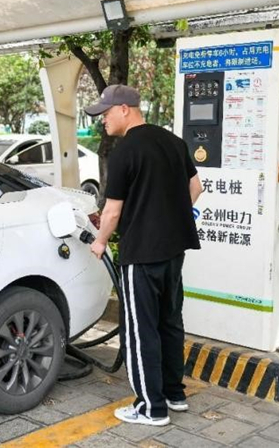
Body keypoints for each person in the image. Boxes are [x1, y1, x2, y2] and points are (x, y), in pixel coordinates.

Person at [85, 84, 202, 427]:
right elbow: (196, 188)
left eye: (105, 114)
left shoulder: (125, 151)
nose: (102, 121)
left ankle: (151, 408)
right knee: (170, 321)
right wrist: (169, 215)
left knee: (140, 329)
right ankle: (173, 394)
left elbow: (111, 212)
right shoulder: (173, 142)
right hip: (174, 250)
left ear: (125, 109)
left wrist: (101, 242)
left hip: (141, 255)